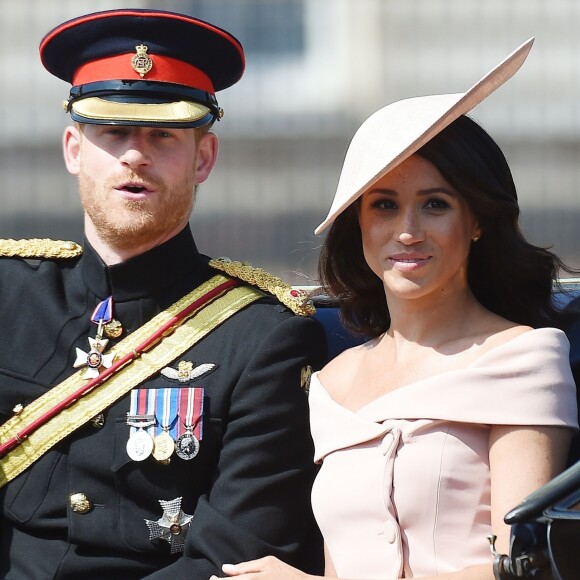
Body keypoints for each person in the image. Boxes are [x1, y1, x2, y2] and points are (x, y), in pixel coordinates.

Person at [212, 39, 579, 579]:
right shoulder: (332, 381)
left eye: (436, 204)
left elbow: (520, 568)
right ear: (359, 224)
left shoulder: (525, 355)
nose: (407, 231)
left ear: (476, 221)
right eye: (384, 205)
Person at [0, 8, 327, 579]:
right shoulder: (8, 294)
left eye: (162, 136)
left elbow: (237, 554)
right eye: (113, 132)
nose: (135, 155)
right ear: (74, 149)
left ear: (203, 158)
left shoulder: (262, 336)